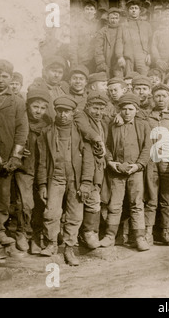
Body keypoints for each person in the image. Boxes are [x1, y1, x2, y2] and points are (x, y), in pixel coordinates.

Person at [37, 95, 94, 266]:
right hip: (55, 177)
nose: (63, 115)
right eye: (60, 111)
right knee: (51, 212)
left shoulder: (81, 132)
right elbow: (42, 161)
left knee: (75, 214)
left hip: (75, 179)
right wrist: (41, 184)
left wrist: (85, 183)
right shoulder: (47, 132)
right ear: (55, 111)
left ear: (73, 112)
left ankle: (69, 247)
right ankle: (51, 243)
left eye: (67, 111)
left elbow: (88, 159)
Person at [101, 93, 151, 251]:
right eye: (124, 109)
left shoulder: (143, 125)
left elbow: (147, 148)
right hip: (117, 171)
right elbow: (106, 146)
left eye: (130, 109)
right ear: (119, 110)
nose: (127, 112)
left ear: (136, 110)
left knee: (137, 204)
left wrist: (139, 165)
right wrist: (110, 161)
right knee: (114, 205)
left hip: (135, 170)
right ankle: (110, 236)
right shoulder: (113, 124)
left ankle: (140, 237)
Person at [13, 88, 51, 252]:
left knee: (42, 204)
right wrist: (18, 148)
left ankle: (37, 236)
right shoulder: (20, 121)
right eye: (35, 107)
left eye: (43, 108)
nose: (39, 111)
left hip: (43, 170)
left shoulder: (48, 123)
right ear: (28, 105)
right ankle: (22, 233)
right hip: (25, 169)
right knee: (25, 203)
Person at [144, 84, 169, 246]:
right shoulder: (145, 117)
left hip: (168, 162)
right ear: (152, 97)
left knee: (168, 198)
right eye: (157, 96)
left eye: (164, 96)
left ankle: (167, 232)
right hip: (151, 161)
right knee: (150, 198)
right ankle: (147, 232)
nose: (160, 99)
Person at [0, 59, 29, 247]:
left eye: (4, 76)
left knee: (3, 195)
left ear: (11, 78)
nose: (0, 79)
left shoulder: (17, 102)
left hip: (6, 159)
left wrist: (15, 156)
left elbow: (22, 129)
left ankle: (0, 231)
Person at [75, 91, 111, 249]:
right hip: (81, 166)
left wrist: (109, 158)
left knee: (95, 199)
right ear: (87, 106)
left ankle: (91, 232)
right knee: (80, 199)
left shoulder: (103, 123)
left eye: (101, 109)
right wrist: (97, 139)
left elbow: (105, 147)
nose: (98, 112)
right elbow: (84, 129)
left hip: (97, 167)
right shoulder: (80, 116)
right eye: (95, 108)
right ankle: (82, 233)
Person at [115, 0, 152, 76]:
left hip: (142, 56)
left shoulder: (146, 25)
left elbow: (150, 41)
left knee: (144, 77)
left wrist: (149, 54)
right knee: (128, 77)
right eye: (131, 8)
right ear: (128, 11)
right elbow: (119, 41)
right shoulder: (123, 25)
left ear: (140, 11)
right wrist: (120, 56)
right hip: (128, 56)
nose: (134, 10)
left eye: (136, 8)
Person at [30, 55, 69, 120]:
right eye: (54, 71)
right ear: (45, 72)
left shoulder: (64, 88)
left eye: (60, 72)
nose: (56, 75)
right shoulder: (38, 87)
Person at [70, 0, 100, 73]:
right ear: (83, 11)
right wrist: (74, 63)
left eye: (91, 9)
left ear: (95, 11)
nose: (89, 11)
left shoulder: (99, 24)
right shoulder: (77, 25)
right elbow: (73, 45)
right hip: (82, 60)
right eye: (87, 9)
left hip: (96, 60)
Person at [94, 7, 122, 78]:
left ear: (119, 19)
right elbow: (98, 48)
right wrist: (101, 63)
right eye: (112, 18)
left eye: (116, 18)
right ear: (108, 19)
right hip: (106, 61)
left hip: (118, 61)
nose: (114, 20)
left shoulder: (122, 30)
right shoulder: (102, 31)